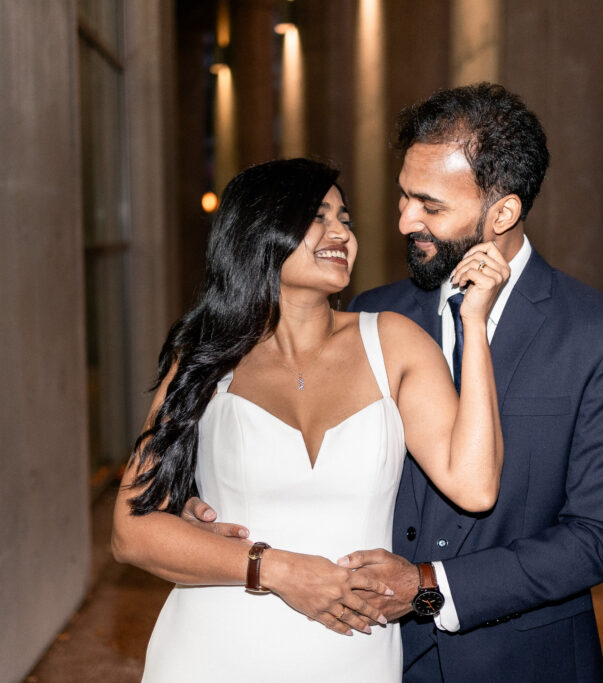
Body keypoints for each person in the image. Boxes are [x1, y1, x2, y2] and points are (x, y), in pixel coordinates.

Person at [186, 83, 603, 681]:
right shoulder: (375, 313)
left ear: (502, 212)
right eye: (404, 196)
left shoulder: (601, 335)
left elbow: (598, 536)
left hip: (523, 663)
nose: (405, 220)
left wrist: (429, 590)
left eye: (430, 206)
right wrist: (207, 507)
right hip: (364, 651)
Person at [111, 158, 509, 682]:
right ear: (259, 231)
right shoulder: (206, 361)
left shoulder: (392, 343)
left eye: (344, 218)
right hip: (213, 649)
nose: (341, 231)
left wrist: (474, 324)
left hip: (351, 652)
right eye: (317, 216)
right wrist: (273, 568)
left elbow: (475, 487)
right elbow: (130, 531)